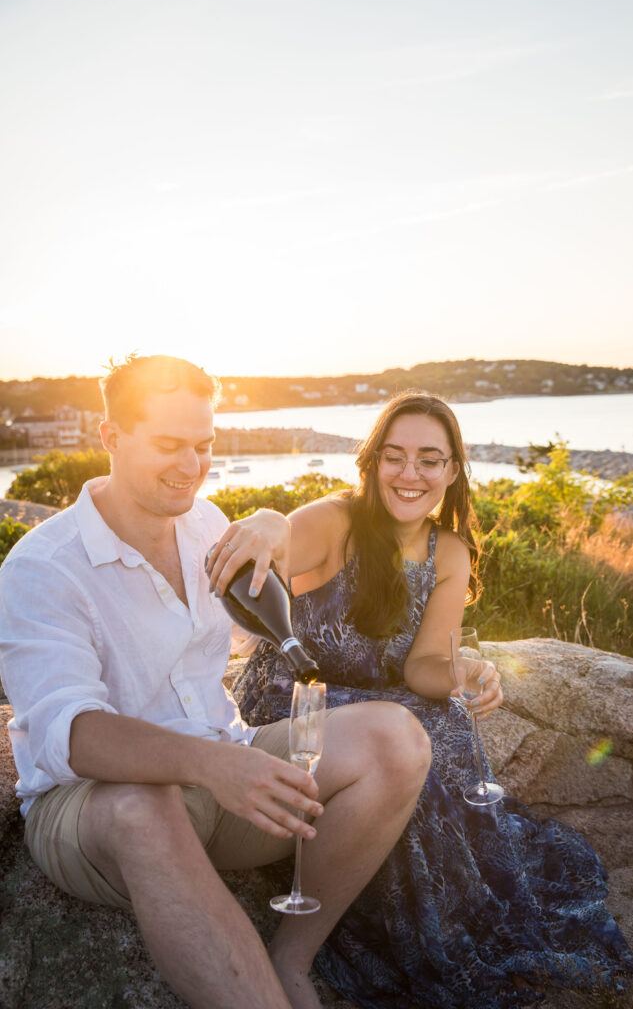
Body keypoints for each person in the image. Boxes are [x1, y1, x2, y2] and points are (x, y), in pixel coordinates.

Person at [0, 355, 432, 1009]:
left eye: (204, 446)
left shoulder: (204, 522)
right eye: (169, 446)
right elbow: (73, 735)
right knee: (145, 805)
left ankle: (291, 957)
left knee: (395, 739)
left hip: (221, 773)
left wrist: (271, 520)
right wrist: (211, 765)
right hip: (95, 811)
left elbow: (285, 588)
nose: (191, 466)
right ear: (111, 436)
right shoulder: (42, 568)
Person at [225, 391, 633, 1009]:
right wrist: (263, 516)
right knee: (418, 745)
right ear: (372, 462)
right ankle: (323, 939)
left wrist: (464, 670)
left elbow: (422, 668)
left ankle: (426, 911)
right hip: (296, 699)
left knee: (447, 721)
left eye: (428, 459)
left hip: (382, 701)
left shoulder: (450, 552)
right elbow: (281, 536)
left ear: (452, 470)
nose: (409, 474)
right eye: (394, 456)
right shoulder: (338, 521)